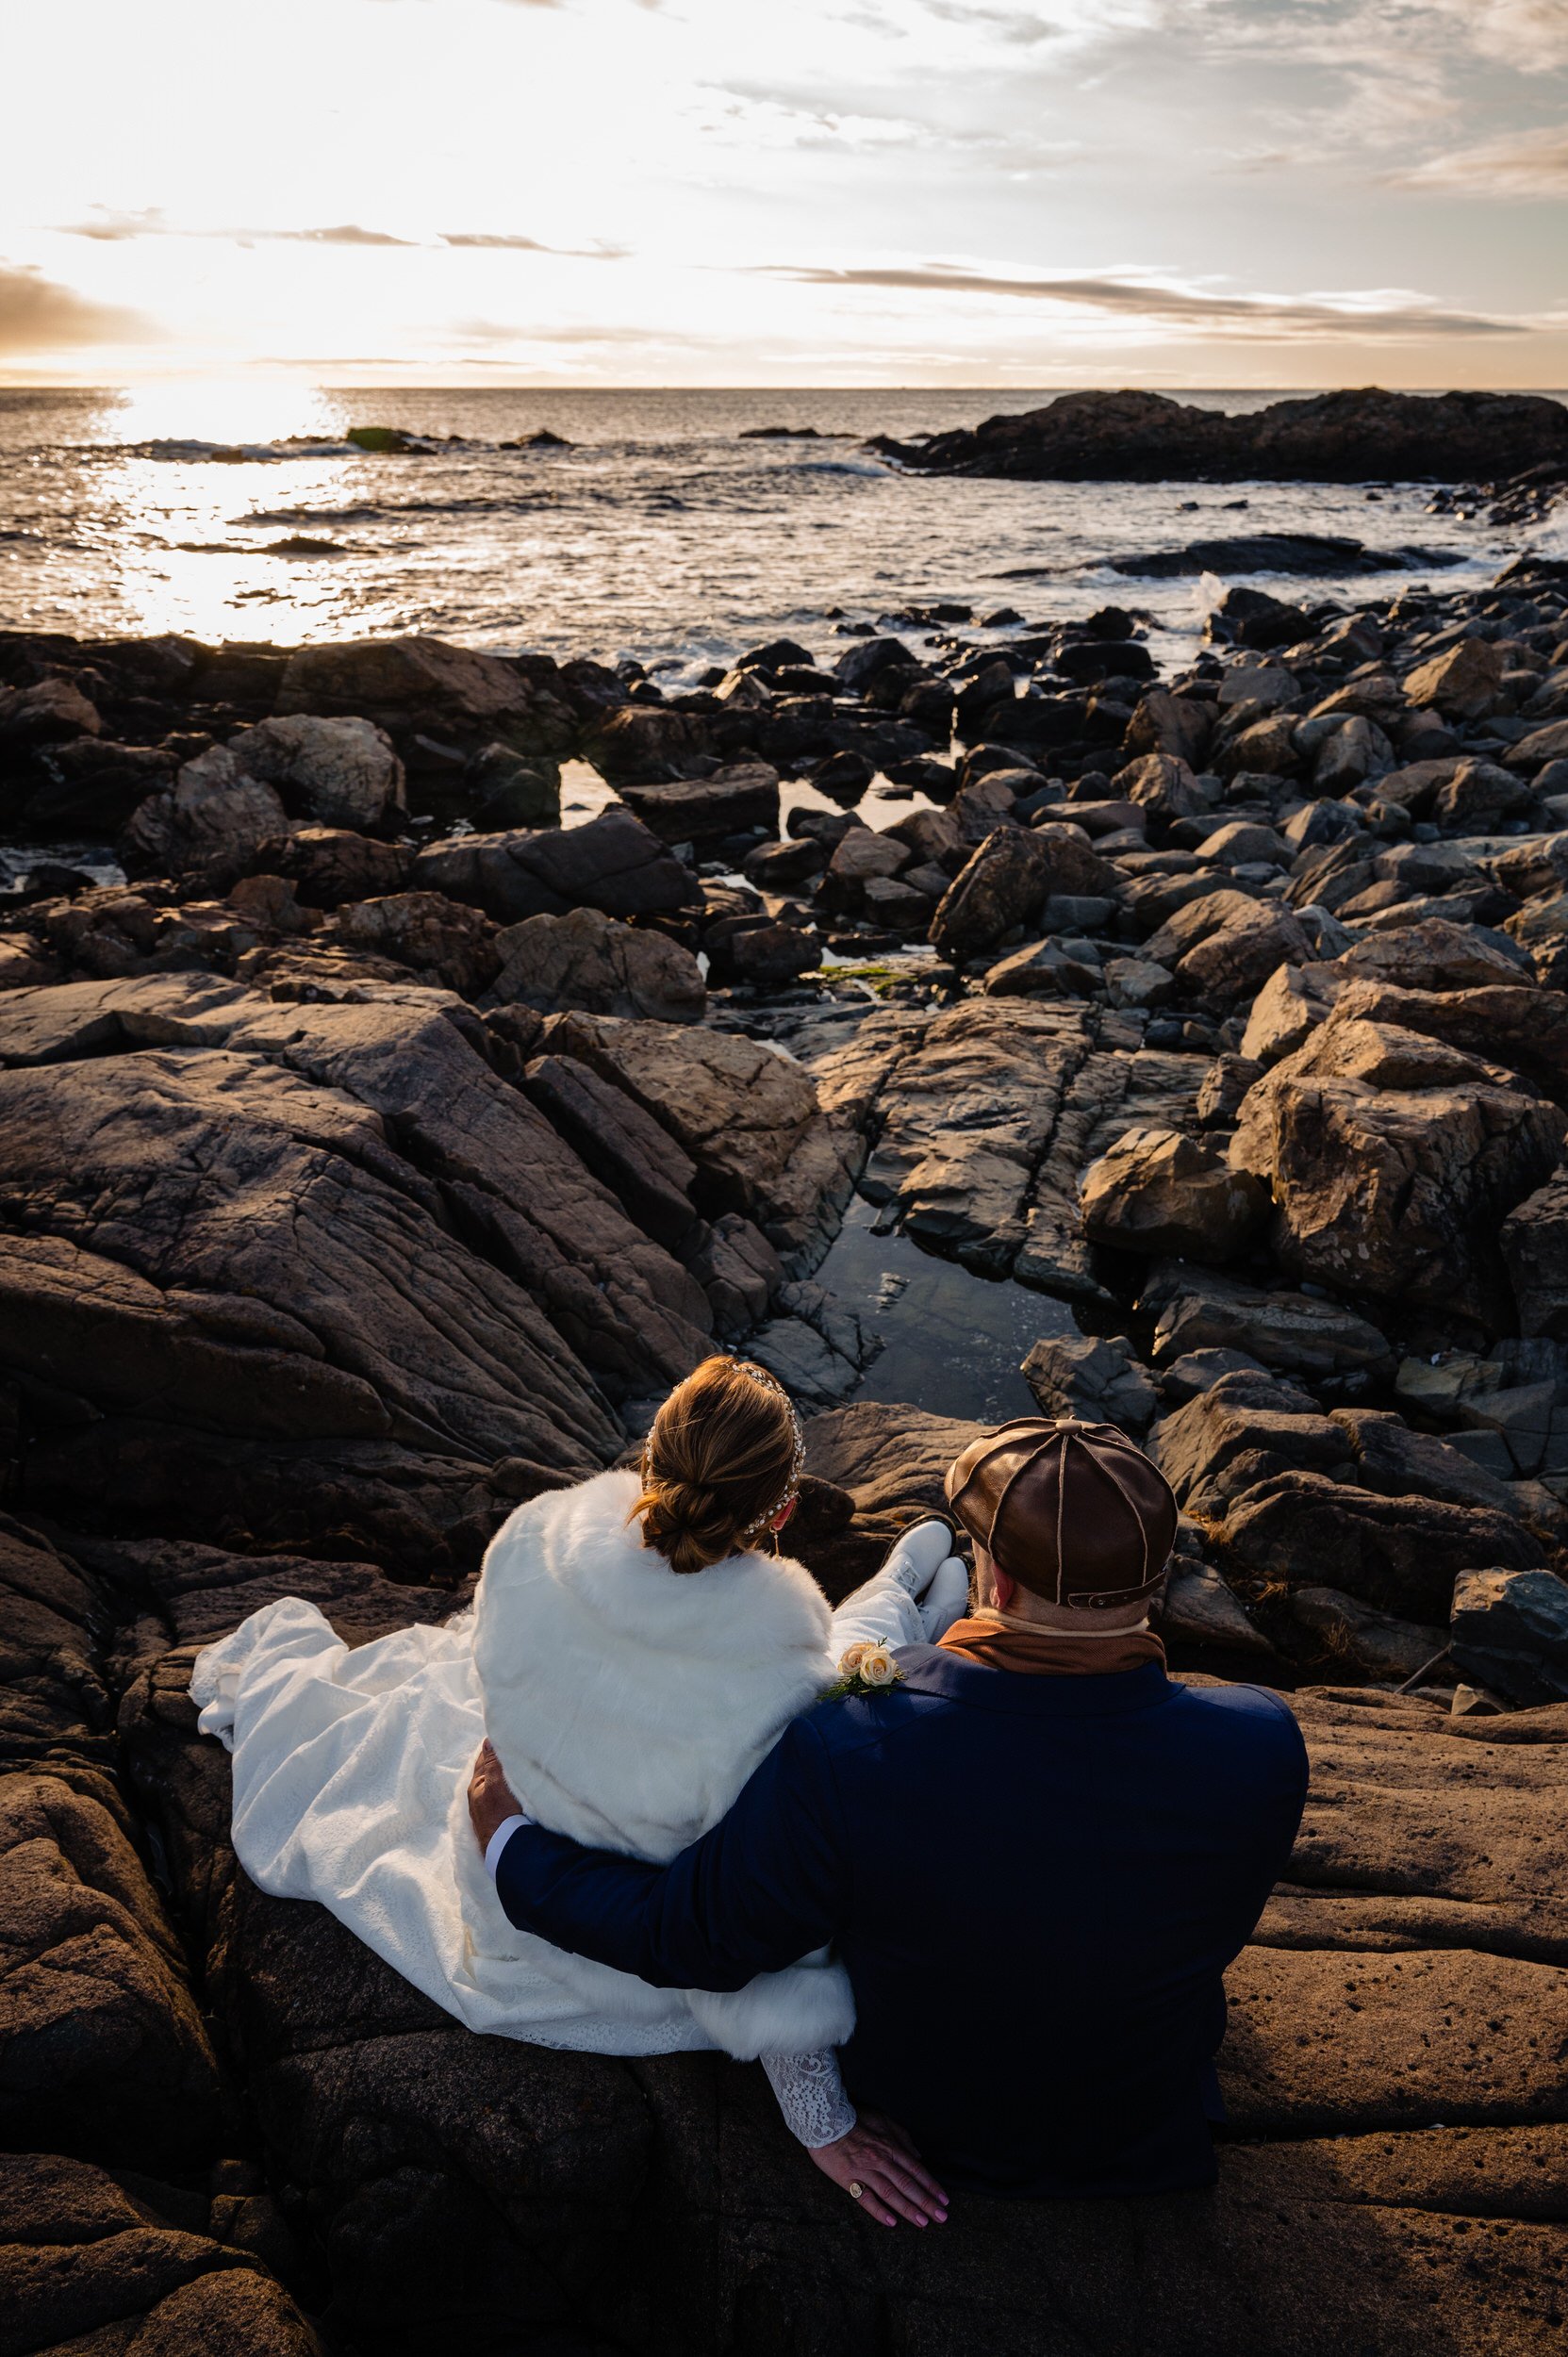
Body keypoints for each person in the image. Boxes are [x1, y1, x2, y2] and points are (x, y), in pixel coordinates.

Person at [470, 1416, 1311, 2224]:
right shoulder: (1261, 1744)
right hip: (1143, 2121)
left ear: (1000, 1583)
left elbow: (690, 1939)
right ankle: (912, 1592)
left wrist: (510, 1844)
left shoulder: (850, 1751)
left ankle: (910, 1586)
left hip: (927, 2126)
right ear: (1154, 1580)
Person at [190, 1355, 966, 2184]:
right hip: (626, 1957)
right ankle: (912, 1602)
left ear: (647, 1461)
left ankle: (908, 1599)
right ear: (781, 1512)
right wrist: (822, 2125)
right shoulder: (779, 1697)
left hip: (505, 1883)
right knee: (859, 1683)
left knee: (846, 1673)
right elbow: (761, 1922)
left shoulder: (531, 1537)